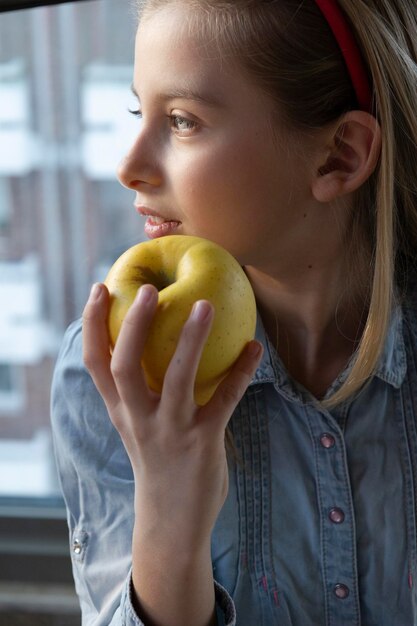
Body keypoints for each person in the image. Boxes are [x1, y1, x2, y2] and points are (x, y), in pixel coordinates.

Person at [50, 0, 417, 624]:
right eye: (141, 112)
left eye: (183, 121)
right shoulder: (115, 376)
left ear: (340, 157)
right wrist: (170, 516)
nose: (128, 167)